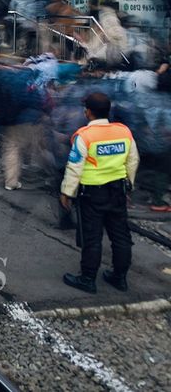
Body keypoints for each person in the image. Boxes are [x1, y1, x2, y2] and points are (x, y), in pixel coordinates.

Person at [60, 92, 138, 294]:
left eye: (85, 108)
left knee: (92, 237)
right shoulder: (124, 132)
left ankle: (87, 279)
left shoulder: (84, 136)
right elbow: (133, 160)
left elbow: (74, 167)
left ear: (89, 112)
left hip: (92, 194)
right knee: (120, 236)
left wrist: (67, 192)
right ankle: (119, 278)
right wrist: (128, 185)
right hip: (117, 191)